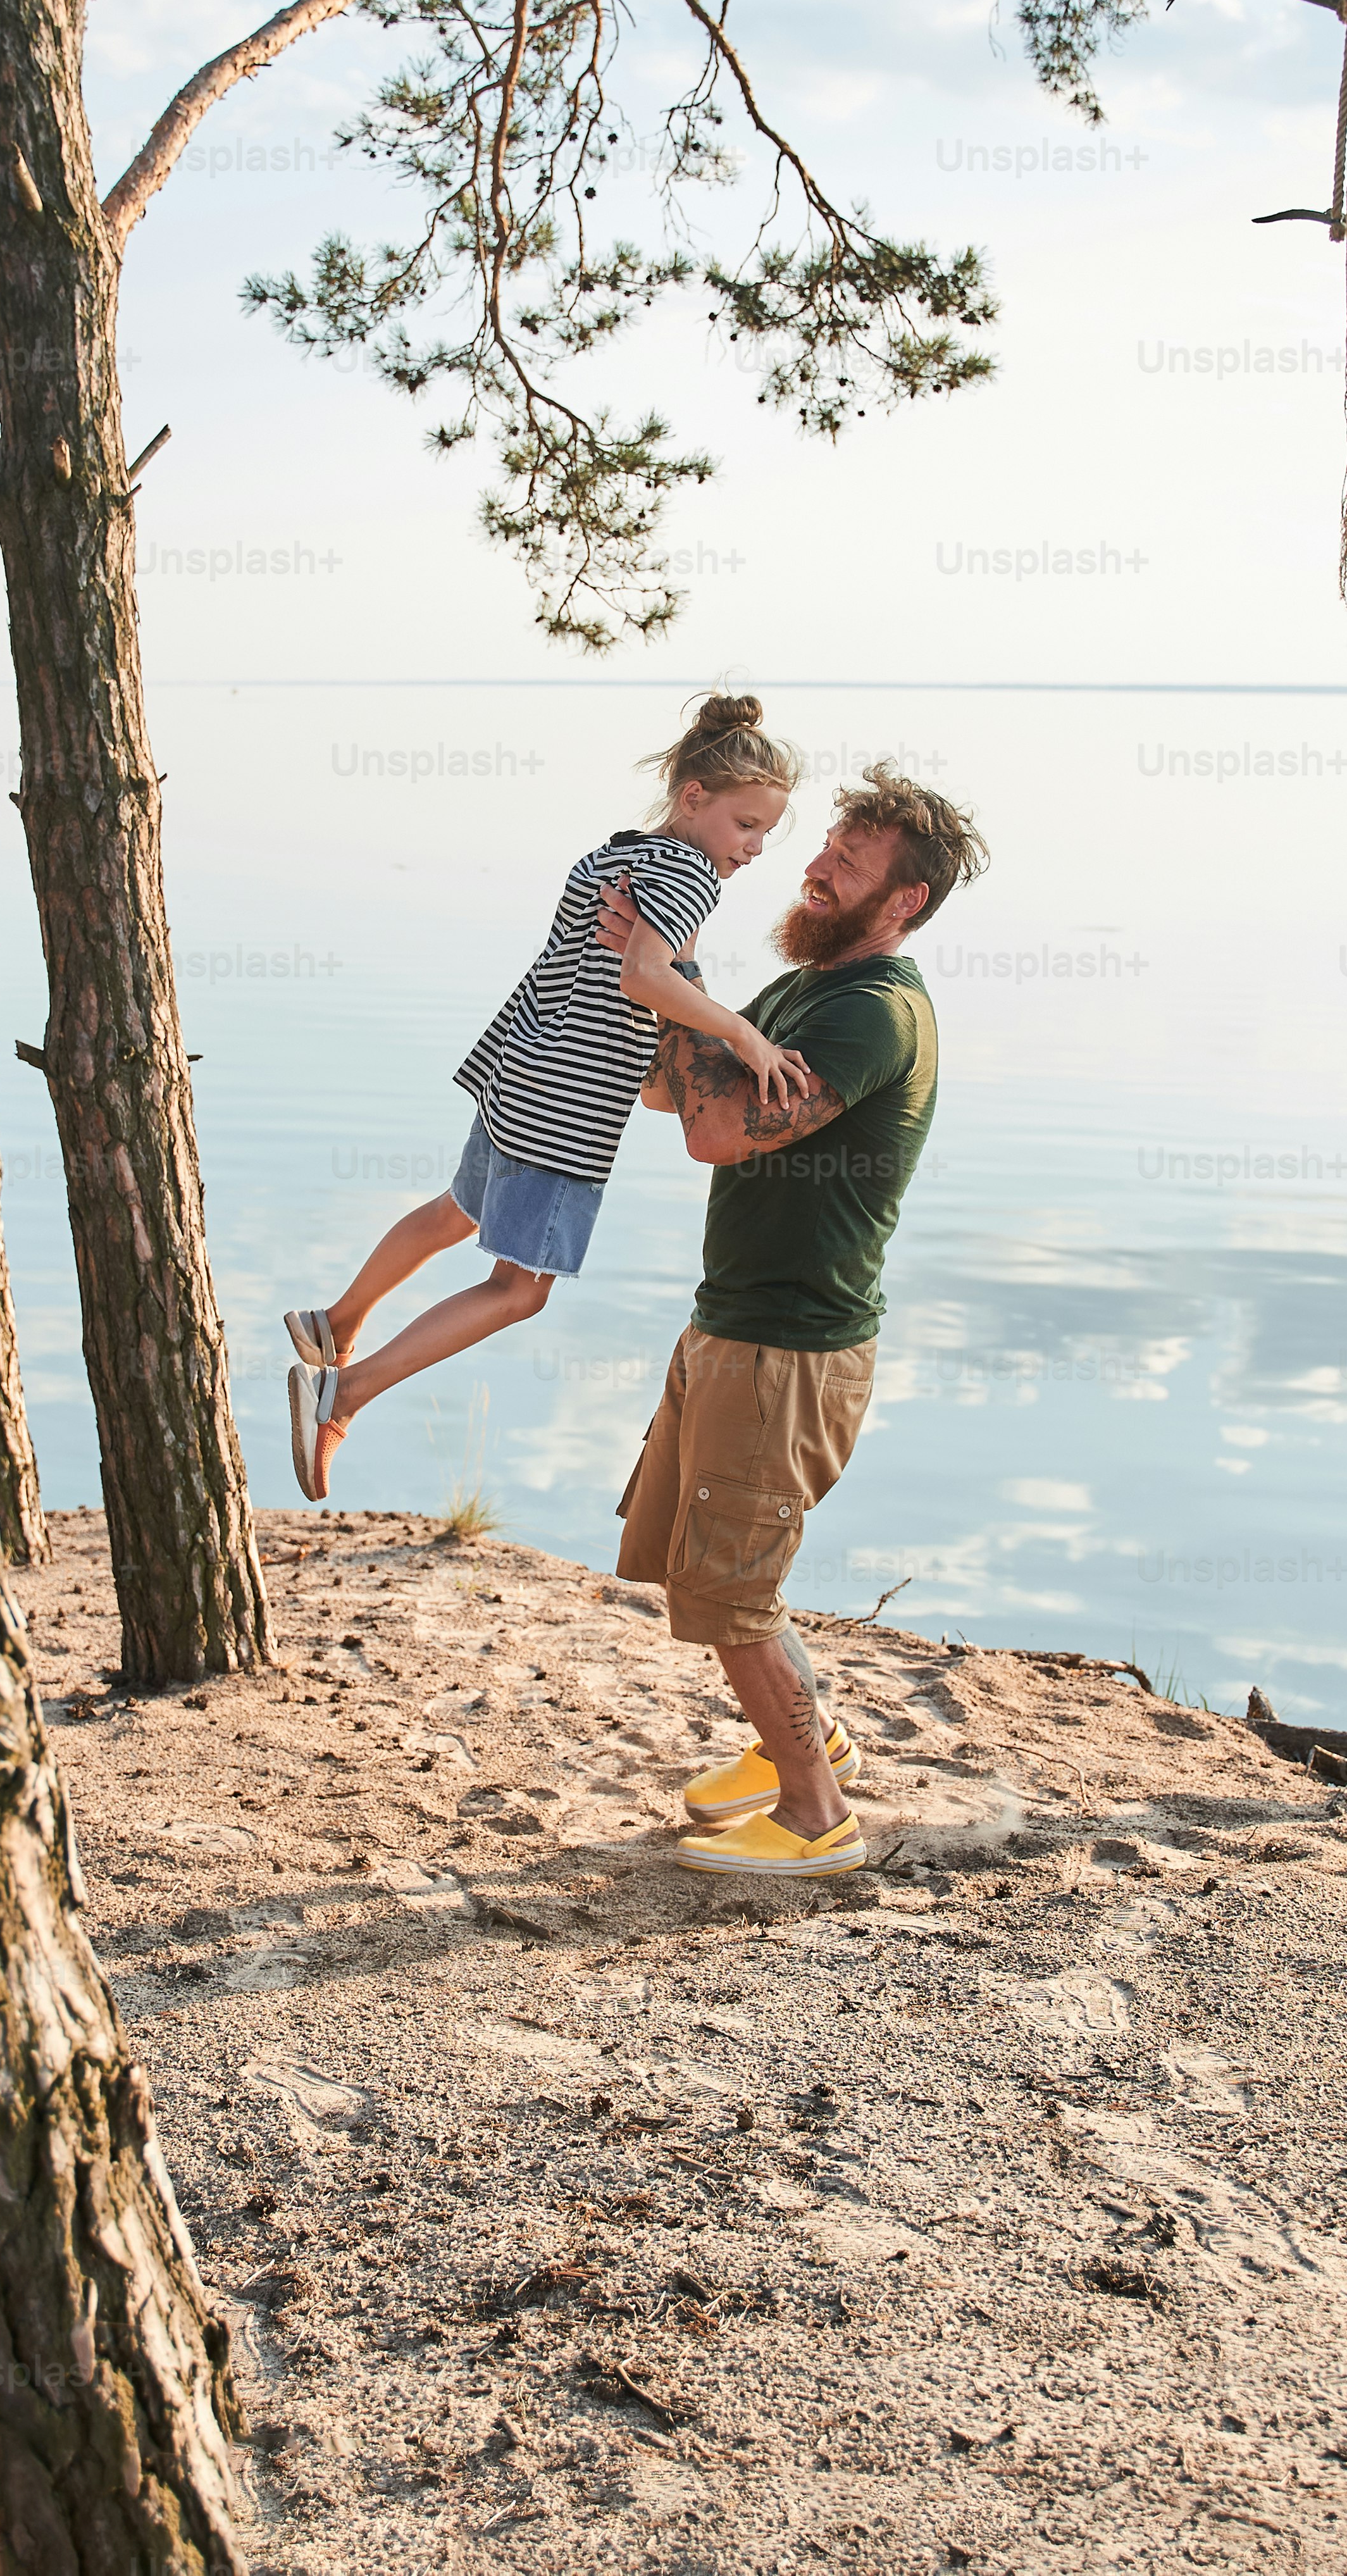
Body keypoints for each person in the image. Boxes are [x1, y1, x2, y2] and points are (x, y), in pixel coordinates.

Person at [282, 695, 814, 1502]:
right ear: (693, 797)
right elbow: (644, 976)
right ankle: (341, 1394)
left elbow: (614, 970)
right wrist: (746, 1036)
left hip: (519, 1070)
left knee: (455, 1211)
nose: (754, 847)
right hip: (567, 1104)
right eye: (746, 824)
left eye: (766, 832)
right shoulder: (689, 873)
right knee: (521, 1290)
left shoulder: (620, 851)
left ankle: (337, 1321)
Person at [604, 764, 986, 1878]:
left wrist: (675, 977)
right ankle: (807, 1740)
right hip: (732, 1324)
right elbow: (671, 1090)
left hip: (788, 1351)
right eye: (824, 848)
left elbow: (717, 1131)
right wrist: (658, 980)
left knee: (730, 1589)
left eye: (847, 864)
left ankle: (818, 1816)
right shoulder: (803, 989)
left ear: (903, 900)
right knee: (697, 1567)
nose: (814, 868)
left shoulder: (872, 1012)